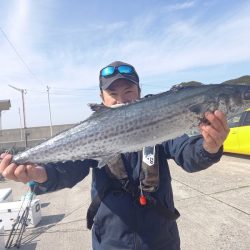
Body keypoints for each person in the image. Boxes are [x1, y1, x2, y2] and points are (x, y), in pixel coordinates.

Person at [0, 61, 229, 250]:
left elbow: (187, 152)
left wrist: (209, 147)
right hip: (110, 242)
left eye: (128, 91)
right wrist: (39, 174)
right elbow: (67, 170)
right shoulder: (95, 131)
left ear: (139, 92)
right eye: (112, 93)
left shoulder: (160, 121)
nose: (121, 99)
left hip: (161, 240)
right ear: (102, 99)